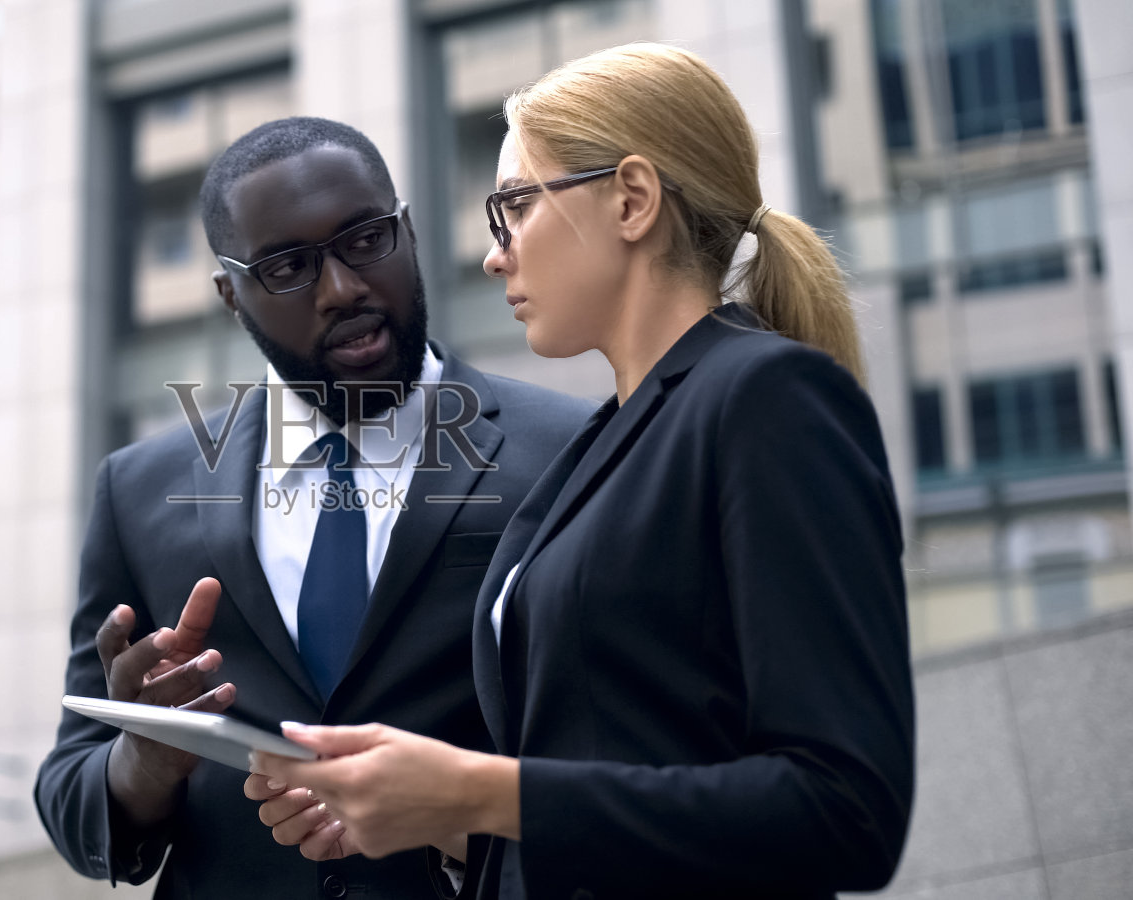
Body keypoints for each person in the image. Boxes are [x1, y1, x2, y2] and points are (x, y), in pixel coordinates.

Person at [248, 44, 916, 899]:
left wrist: (482, 789)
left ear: (632, 200)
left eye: (515, 207)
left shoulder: (767, 397)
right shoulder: (599, 447)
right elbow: (618, 772)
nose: (496, 255)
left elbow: (843, 809)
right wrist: (441, 820)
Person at [33, 116, 595, 899]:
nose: (343, 289)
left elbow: (621, 773)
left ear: (407, 231)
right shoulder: (138, 491)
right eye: (289, 266)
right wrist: (148, 756)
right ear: (232, 294)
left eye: (366, 240)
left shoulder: (576, 453)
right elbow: (71, 798)